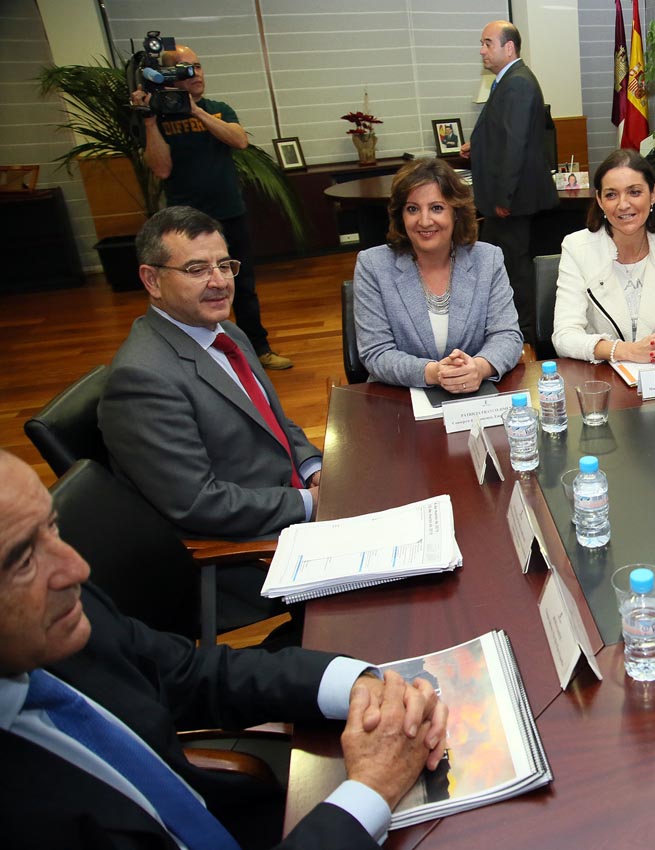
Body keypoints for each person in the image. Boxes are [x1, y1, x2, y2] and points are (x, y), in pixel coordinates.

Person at [0, 450, 448, 849]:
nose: (76, 568)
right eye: (22, 561)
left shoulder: (55, 622)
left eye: (52, 527)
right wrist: (368, 794)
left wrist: (357, 684)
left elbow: (190, 674)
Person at [99, 206, 322, 541]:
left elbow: (273, 421)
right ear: (151, 280)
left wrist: (312, 469)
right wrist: (308, 503)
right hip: (252, 544)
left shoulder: (227, 332)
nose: (219, 282)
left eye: (224, 265)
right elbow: (198, 503)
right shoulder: (142, 380)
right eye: (196, 269)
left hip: (287, 499)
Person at [132, 44, 292, 370]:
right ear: (168, 76)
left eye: (199, 66)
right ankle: (203, 355)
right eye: (186, 68)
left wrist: (196, 111)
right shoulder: (159, 118)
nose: (196, 74)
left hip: (230, 212)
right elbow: (161, 169)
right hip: (185, 228)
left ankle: (257, 349)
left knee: (242, 286)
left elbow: (239, 140)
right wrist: (150, 121)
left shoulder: (217, 108)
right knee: (194, 289)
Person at [353, 158, 523, 390]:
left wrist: (479, 368)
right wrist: (434, 373)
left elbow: (507, 336)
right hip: (400, 401)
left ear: (456, 213)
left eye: (436, 208)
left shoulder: (488, 259)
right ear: (400, 216)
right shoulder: (372, 265)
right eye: (413, 209)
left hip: (475, 396)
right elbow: (376, 352)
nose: (424, 221)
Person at [552, 148, 655, 363]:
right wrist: (625, 351)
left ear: (653, 193)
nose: (623, 204)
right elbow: (564, 336)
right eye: (611, 194)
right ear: (599, 200)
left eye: (634, 192)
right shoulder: (577, 247)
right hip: (604, 377)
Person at [461, 20, 558, 341]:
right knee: (496, 262)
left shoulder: (517, 82)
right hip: (507, 199)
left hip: (512, 201)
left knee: (513, 269)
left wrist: (504, 197)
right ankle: (506, 327)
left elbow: (516, 144)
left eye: (488, 43)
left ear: (509, 47)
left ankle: (527, 332)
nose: (482, 50)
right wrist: (478, 144)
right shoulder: (507, 80)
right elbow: (504, 132)